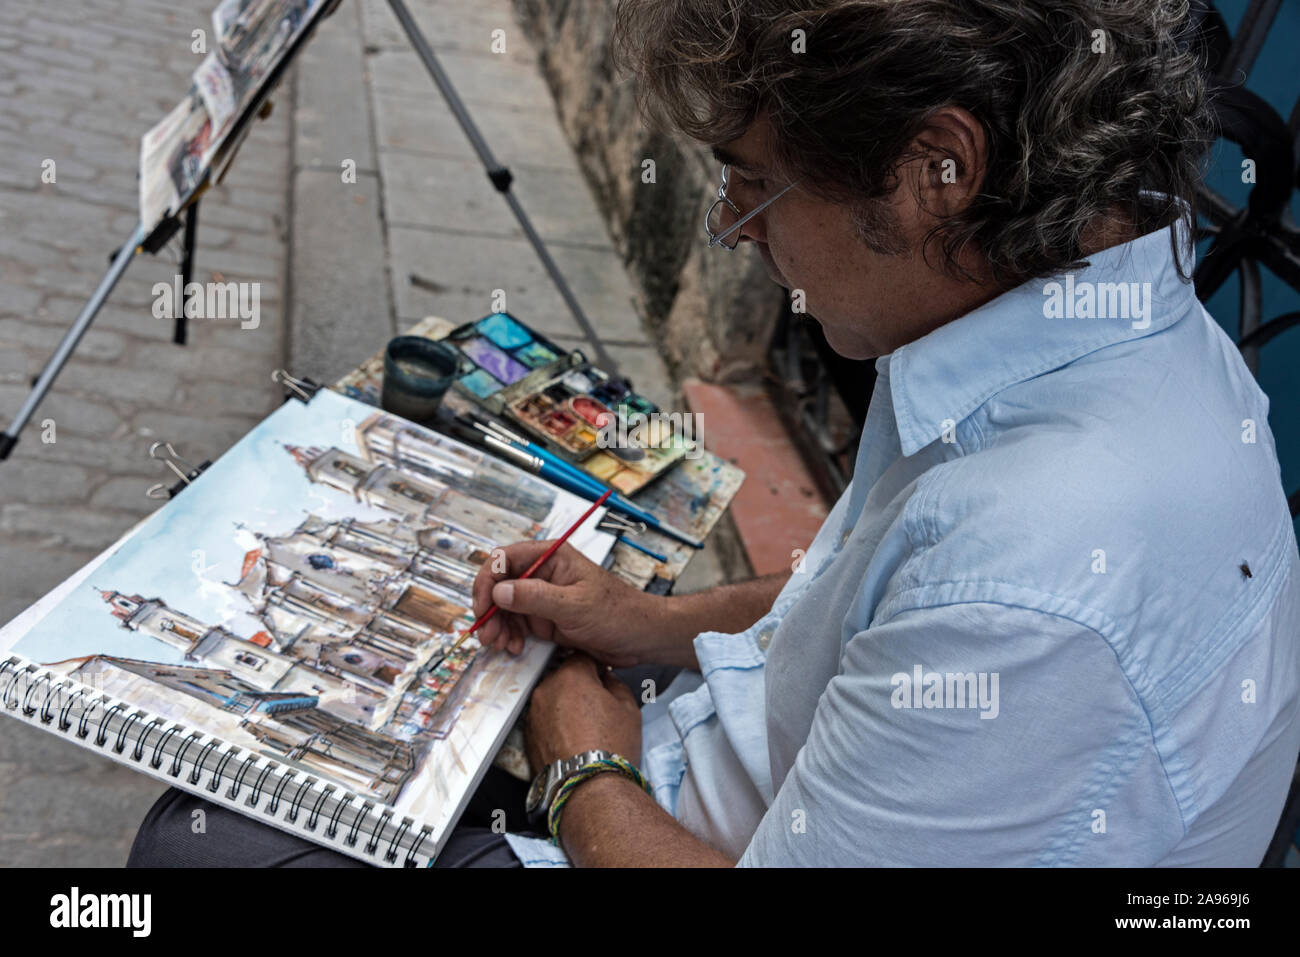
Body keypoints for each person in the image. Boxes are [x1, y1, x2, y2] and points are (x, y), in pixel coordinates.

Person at [129, 0, 1300, 867]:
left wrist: (581, 757)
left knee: (197, 850)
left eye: (753, 181)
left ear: (938, 169)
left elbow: (961, 605)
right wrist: (650, 623)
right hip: (698, 762)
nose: (734, 226)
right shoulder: (1055, 336)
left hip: (664, 815)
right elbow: (871, 593)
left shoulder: (1036, 580)